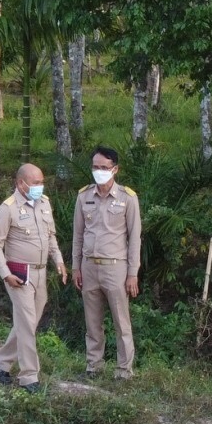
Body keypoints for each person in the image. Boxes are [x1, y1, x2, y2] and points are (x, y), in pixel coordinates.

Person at [0, 163, 66, 391]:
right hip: (19, 274)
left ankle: (1, 362)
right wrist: (6, 274)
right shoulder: (8, 208)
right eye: (35, 183)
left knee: (28, 324)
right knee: (26, 323)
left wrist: (59, 261)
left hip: (41, 272)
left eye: (41, 182)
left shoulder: (45, 203)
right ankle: (29, 377)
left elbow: (51, 236)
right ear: (21, 183)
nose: (39, 187)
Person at [71, 146, 143, 381]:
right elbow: (78, 235)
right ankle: (94, 366)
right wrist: (76, 267)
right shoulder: (84, 196)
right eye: (95, 167)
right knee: (92, 322)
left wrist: (132, 273)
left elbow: (135, 238)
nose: (99, 171)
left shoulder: (127, 198)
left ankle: (124, 370)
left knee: (121, 322)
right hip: (89, 266)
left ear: (115, 169)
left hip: (116, 268)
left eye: (104, 167)